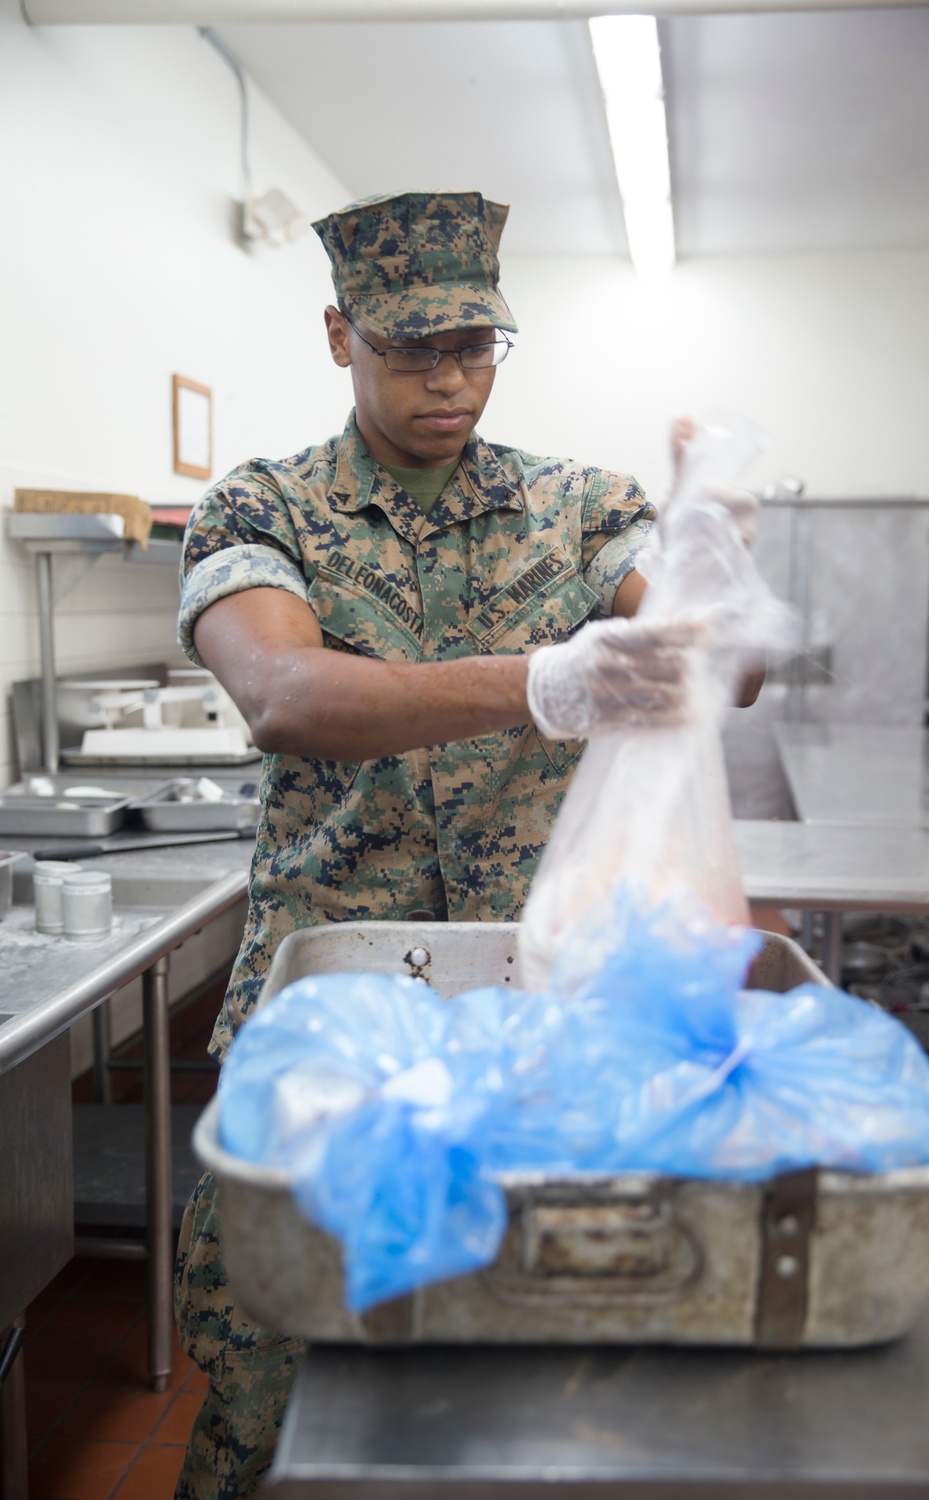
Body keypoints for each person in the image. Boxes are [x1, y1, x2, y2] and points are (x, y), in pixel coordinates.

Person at [172, 189, 761, 1500]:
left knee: (518, 1384)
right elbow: (284, 694)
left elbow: (706, 665)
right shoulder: (262, 508)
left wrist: (715, 574)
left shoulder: (574, 508)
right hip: (328, 1028)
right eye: (410, 349)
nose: (450, 379)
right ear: (340, 337)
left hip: (528, 1017)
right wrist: (545, 682)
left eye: (475, 347)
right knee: (269, 1381)